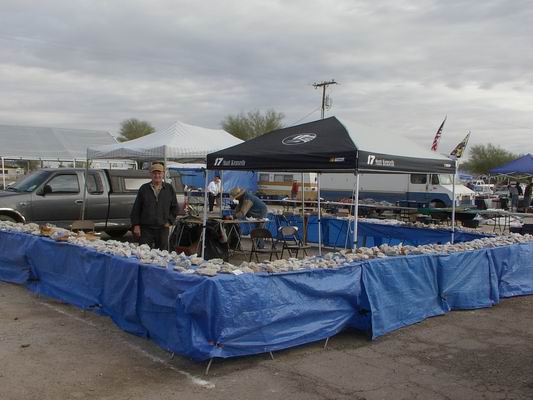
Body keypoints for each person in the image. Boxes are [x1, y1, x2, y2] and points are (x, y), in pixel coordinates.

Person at [130, 162, 178, 250]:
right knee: (143, 253)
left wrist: (169, 221)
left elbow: (175, 207)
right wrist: (136, 225)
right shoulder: (144, 188)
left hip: (163, 228)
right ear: (151, 175)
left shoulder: (169, 188)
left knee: (162, 254)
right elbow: (136, 208)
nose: (157, 175)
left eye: (159, 173)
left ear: (163, 174)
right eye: (154, 173)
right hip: (146, 229)